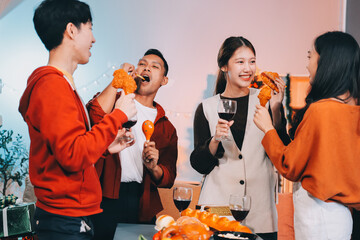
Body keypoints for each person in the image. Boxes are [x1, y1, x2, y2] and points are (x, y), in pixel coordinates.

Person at [18, 0, 136, 239]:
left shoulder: (61, 84)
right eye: (90, 28)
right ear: (72, 30)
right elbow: (72, 155)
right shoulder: (52, 85)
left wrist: (105, 146)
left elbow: (65, 150)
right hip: (64, 221)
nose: (93, 39)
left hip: (71, 217)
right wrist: (118, 115)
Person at [253, 31, 360, 239]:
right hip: (342, 218)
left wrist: (267, 129)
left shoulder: (320, 111)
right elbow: (303, 152)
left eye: (310, 56)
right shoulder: (351, 111)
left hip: (318, 215)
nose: (307, 64)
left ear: (327, 63)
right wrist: (277, 110)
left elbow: (290, 164)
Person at [190, 36, 289, 240]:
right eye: (240, 62)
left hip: (261, 211)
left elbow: (283, 152)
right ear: (224, 66)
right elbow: (200, 165)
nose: (248, 68)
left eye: (252, 61)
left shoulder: (267, 102)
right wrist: (215, 139)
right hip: (218, 209)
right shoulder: (207, 108)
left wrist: (278, 107)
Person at [87, 49, 178, 240]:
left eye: (155, 66)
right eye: (142, 64)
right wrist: (118, 79)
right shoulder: (117, 101)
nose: (146, 68)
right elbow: (94, 114)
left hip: (141, 201)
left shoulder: (166, 127)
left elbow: (168, 177)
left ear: (164, 80)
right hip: (105, 197)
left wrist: (154, 168)